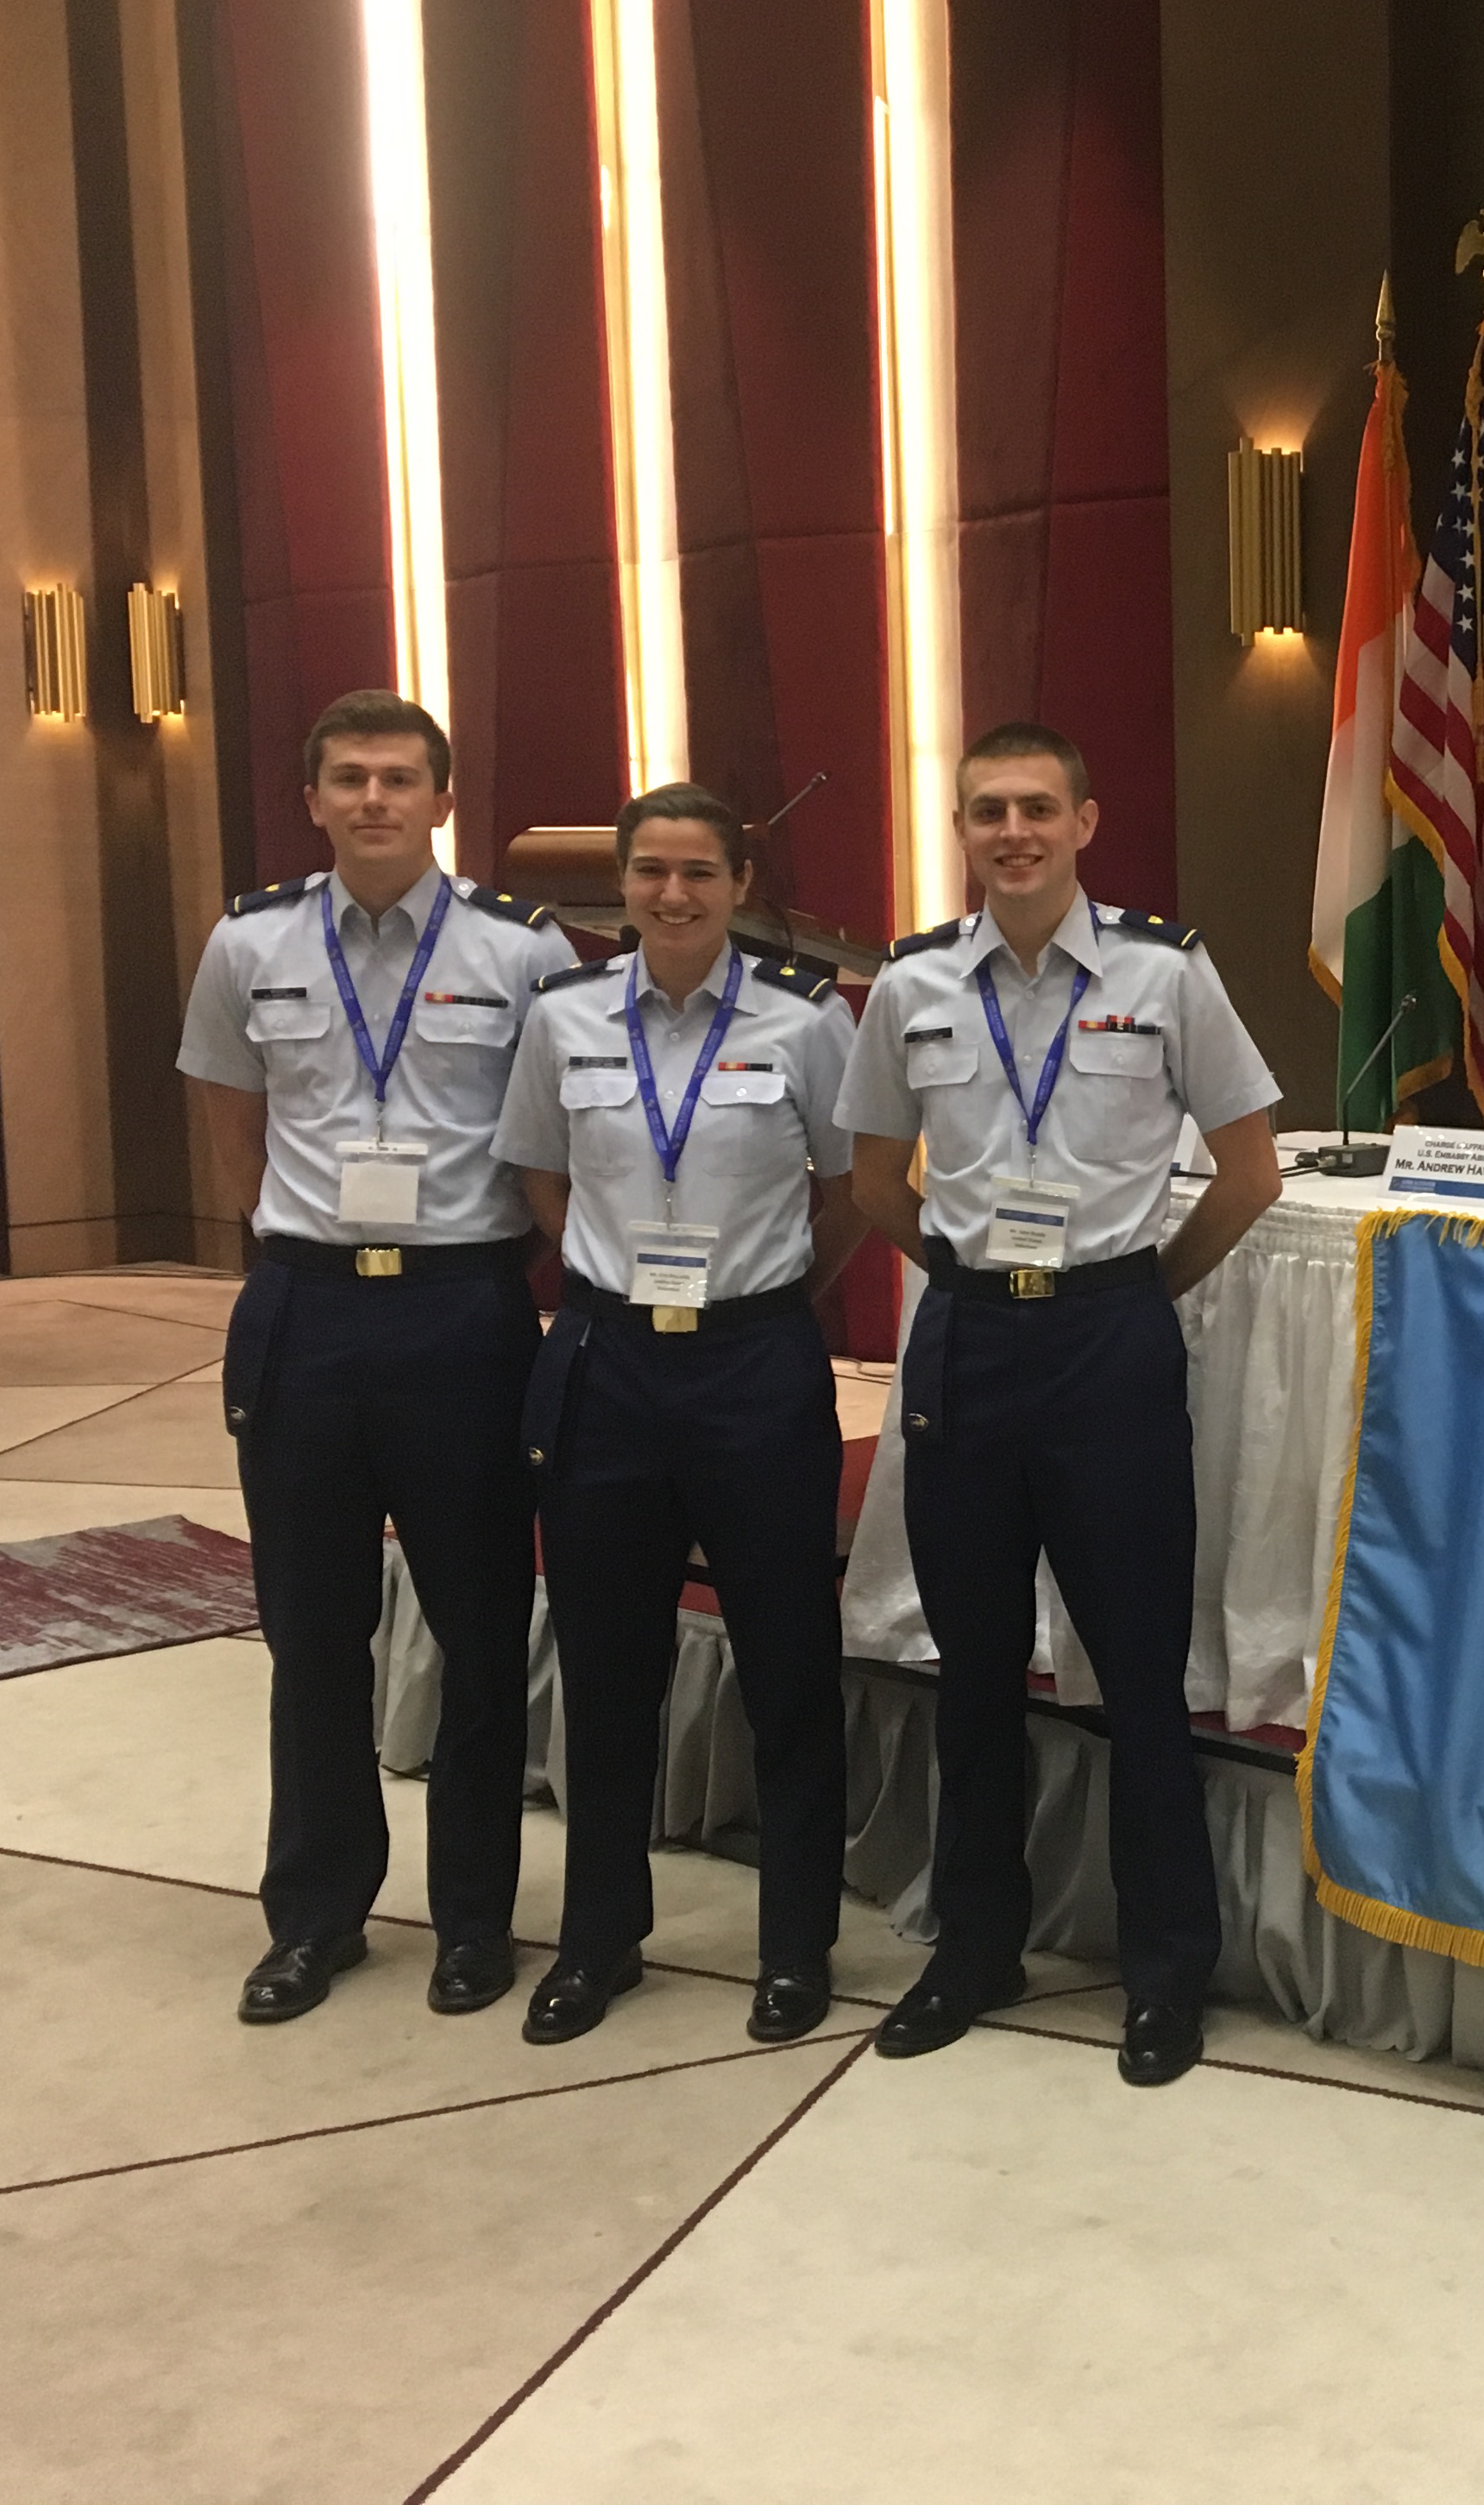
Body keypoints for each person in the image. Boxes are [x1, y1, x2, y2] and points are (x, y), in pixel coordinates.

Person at [842, 721, 1285, 2087]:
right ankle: (975, 1948)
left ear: (1086, 822)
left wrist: (1135, 1292)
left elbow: (1251, 1171)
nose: (1014, 832)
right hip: (971, 1345)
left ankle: (1167, 1972)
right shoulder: (910, 982)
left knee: (1139, 1674)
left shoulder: (1166, 972)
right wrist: (975, 1282)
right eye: (989, 810)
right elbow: (875, 1183)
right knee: (973, 1670)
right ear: (962, 830)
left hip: (1109, 1342)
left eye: (1038, 807)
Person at [179, 689, 578, 2024]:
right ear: (312, 800)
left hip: (463, 1315)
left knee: (479, 1629)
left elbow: (552, 1142)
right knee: (311, 1634)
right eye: (347, 777)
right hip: (306, 1312)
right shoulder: (250, 943)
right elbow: (232, 1136)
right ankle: (316, 1918)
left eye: (399, 778)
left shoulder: (522, 950)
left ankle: (474, 1920)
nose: (373, 800)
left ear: (442, 800)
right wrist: (300, 1248)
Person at [496, 783, 865, 2046]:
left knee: (787, 1666)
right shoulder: (563, 1017)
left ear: (740, 884)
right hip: (608, 1367)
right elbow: (540, 1174)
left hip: (754, 1365)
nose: (673, 894)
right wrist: (614, 1283)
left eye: (699, 872)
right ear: (620, 885)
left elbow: (850, 1187)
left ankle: (795, 1948)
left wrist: (767, 1298)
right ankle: (599, 1937)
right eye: (650, 871)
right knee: (606, 1668)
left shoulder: (806, 1021)